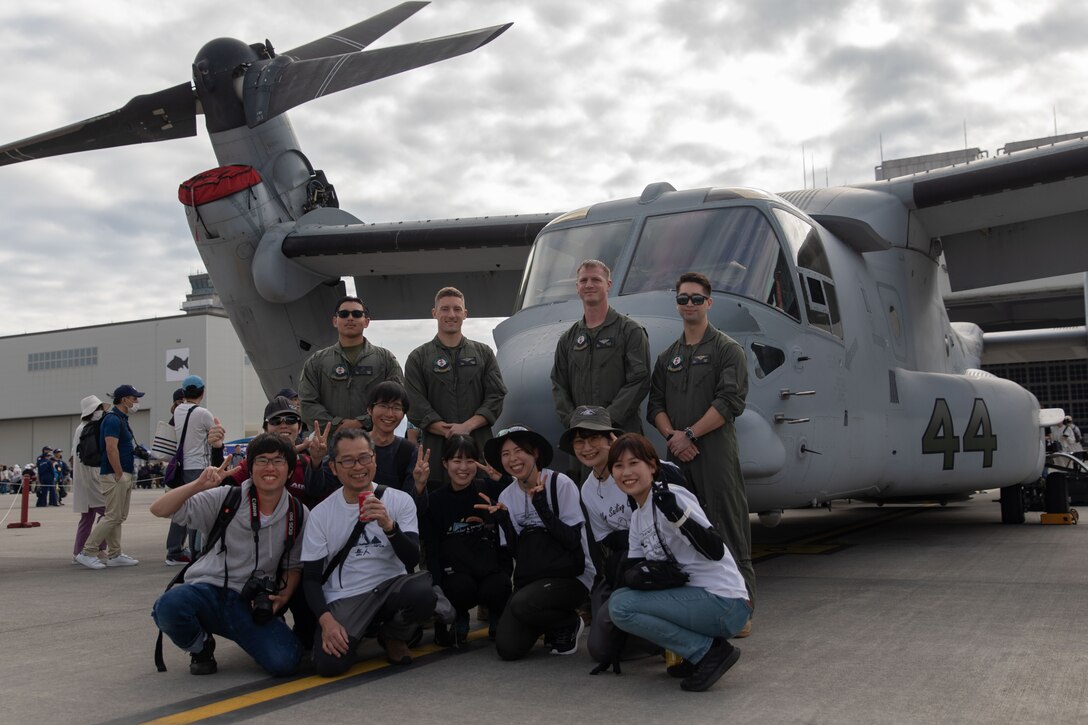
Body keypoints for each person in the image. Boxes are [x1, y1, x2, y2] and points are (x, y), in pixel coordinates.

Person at [150, 433, 307, 677]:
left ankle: (252, 633)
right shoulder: (227, 498)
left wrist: (282, 598)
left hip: (249, 601)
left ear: (289, 471)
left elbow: (294, 565)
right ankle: (200, 646)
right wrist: (198, 485)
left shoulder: (298, 512)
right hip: (207, 592)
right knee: (169, 606)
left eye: (278, 461)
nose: (270, 468)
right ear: (250, 468)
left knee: (285, 662)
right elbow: (159, 509)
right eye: (262, 460)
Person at [606, 433, 751, 692]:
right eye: (618, 466)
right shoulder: (638, 517)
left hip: (725, 602)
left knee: (621, 606)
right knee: (621, 599)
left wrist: (676, 515)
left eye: (633, 463)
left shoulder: (673, 495)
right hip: (697, 598)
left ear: (652, 466)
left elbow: (715, 550)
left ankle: (708, 652)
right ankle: (698, 653)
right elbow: (633, 571)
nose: (626, 472)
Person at [648, 272, 754, 619]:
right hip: (677, 453)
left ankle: (742, 607)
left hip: (714, 453)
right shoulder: (668, 357)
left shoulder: (727, 349)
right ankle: (695, 602)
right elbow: (655, 406)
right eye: (683, 298)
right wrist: (673, 439)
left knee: (726, 523)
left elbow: (729, 402)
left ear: (708, 302)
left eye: (696, 298)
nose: (689, 304)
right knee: (680, 526)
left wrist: (689, 435)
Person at [302, 428, 436, 676]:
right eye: (348, 460)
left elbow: (412, 558)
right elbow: (310, 578)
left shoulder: (399, 501)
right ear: (333, 467)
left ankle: (393, 635)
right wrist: (326, 621)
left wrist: (389, 526)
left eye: (364, 457)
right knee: (329, 666)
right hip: (346, 596)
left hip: (390, 588)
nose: (358, 467)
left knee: (423, 593)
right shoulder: (321, 514)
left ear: (374, 459)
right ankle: (360, 631)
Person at [477, 425, 595, 660]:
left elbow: (572, 540)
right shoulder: (506, 495)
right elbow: (517, 552)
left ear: (535, 453)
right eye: (505, 454)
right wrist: (504, 523)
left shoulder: (559, 484)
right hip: (532, 579)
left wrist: (542, 507)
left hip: (569, 576)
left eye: (519, 450)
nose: (513, 459)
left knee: (523, 604)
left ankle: (568, 622)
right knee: (508, 648)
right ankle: (550, 623)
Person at [405, 287, 506, 490]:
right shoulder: (418, 357)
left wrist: (467, 426)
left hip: (478, 449)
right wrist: (447, 430)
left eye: (457, 309)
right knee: (436, 504)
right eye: (444, 309)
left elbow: (496, 397)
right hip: (435, 452)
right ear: (435, 313)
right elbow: (414, 403)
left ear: (465, 314)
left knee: (483, 503)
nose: (451, 315)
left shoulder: (483, 353)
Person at [422, 435, 511, 647]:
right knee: (460, 587)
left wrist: (502, 479)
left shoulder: (489, 489)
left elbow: (518, 494)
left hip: (489, 571)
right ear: (445, 463)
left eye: (470, 461)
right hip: (458, 576)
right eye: (456, 460)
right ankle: (459, 616)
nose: (464, 467)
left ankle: (496, 615)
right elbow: (431, 549)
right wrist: (437, 586)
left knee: (499, 585)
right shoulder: (436, 500)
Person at [551, 260, 651, 434]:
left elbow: (639, 380)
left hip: (620, 434)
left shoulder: (630, 331)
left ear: (608, 285)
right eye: (583, 281)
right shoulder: (568, 339)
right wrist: (573, 421)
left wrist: (605, 421)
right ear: (577, 287)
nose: (589, 285)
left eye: (596, 280)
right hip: (581, 436)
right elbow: (558, 384)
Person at [299, 296, 404, 433]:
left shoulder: (385, 359)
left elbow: (397, 399)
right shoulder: (316, 362)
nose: (350, 318)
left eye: (356, 314)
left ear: (366, 322)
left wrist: (361, 422)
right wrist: (337, 424)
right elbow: (307, 404)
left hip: (374, 443)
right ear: (335, 321)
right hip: (331, 444)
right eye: (343, 314)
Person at [74, 384, 145, 570]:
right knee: (112, 515)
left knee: (118, 516)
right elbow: (110, 448)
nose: (137, 401)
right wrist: (119, 473)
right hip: (115, 474)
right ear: (124, 400)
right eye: (134, 398)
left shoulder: (121, 418)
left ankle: (115, 554)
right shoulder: (113, 419)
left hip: (122, 473)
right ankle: (87, 551)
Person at [166, 375, 218, 566]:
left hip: (182, 466)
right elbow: (216, 434)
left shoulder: (179, 410)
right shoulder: (203, 413)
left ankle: (174, 550)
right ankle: (196, 552)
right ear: (202, 392)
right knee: (198, 508)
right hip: (198, 466)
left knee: (181, 506)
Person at [366, 381, 430, 496]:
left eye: (397, 407)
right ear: (370, 409)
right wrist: (320, 460)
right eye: (383, 406)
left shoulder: (409, 452)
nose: (390, 414)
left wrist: (419, 485)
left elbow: (414, 509)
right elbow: (327, 487)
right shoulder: (350, 444)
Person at [72, 395, 108, 560]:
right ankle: (98, 547)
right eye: (98, 408)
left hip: (83, 478)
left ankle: (79, 551)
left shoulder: (82, 427)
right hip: (90, 477)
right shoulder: (87, 429)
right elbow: (90, 457)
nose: (101, 411)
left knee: (87, 517)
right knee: (108, 513)